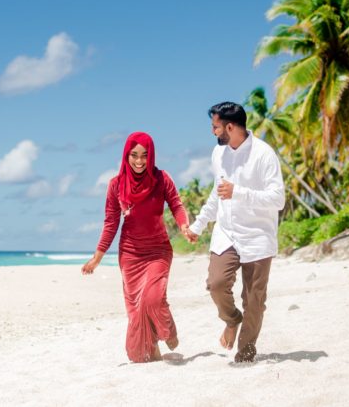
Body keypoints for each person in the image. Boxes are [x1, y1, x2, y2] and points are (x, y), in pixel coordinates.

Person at [186, 102, 285, 363]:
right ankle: (232, 319)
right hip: (227, 233)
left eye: (215, 126)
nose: (213, 131)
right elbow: (217, 193)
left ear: (230, 127)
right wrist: (198, 225)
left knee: (254, 300)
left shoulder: (264, 154)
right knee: (216, 284)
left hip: (258, 237)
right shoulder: (218, 155)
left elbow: (278, 199)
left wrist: (238, 192)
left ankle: (246, 352)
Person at [82, 131, 191, 363]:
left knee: (152, 299)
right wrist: (96, 258)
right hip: (130, 254)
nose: (140, 161)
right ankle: (151, 351)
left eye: (144, 155)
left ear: (151, 155)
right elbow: (111, 223)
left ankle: (168, 329)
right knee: (136, 311)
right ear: (126, 155)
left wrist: (184, 226)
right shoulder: (116, 185)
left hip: (158, 251)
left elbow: (177, 205)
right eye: (134, 155)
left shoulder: (162, 179)